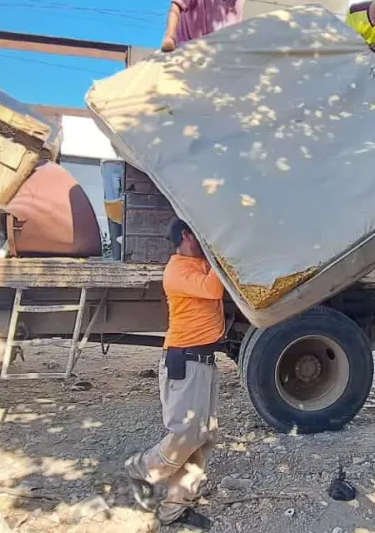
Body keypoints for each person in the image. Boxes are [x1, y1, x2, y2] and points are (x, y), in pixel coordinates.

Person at [123, 219, 226, 530]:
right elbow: (212, 288)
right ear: (186, 235)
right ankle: (142, 469)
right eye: (201, 234)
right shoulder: (177, 269)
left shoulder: (197, 264)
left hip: (204, 361)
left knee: (204, 437)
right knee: (186, 434)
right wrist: (218, 254)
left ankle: (175, 509)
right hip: (185, 360)